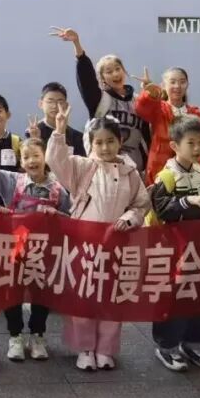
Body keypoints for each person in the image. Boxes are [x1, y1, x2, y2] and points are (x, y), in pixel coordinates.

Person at [46, 106, 150, 371]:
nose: (105, 147)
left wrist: (130, 218)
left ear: (120, 141)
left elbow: (141, 204)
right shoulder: (82, 167)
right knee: (84, 298)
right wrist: (59, 131)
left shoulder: (130, 172)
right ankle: (85, 349)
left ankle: (105, 349)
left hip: (117, 246)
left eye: (110, 141)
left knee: (111, 299)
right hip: (85, 246)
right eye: (99, 142)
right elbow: (56, 161)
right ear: (90, 144)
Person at [0, 132, 71, 361]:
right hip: (17, 241)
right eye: (26, 157)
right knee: (13, 290)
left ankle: (38, 335)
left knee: (42, 292)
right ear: (21, 161)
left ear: (45, 157)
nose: (31, 161)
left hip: (45, 246)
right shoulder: (13, 181)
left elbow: (70, 218)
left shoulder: (59, 188)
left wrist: (57, 214)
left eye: (36, 155)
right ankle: (15, 336)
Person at [148, 116, 200, 372]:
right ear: (174, 145)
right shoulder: (167, 176)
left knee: (197, 295)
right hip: (173, 249)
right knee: (173, 297)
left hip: (198, 247)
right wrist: (187, 201)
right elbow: (161, 209)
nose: (198, 148)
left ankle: (192, 343)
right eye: (191, 143)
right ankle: (166, 346)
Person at [50, 26, 150, 170]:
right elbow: (87, 80)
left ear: (124, 71)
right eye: (109, 71)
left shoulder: (139, 101)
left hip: (134, 169)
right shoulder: (100, 99)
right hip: (104, 168)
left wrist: (151, 94)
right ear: (102, 79)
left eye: (118, 69)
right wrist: (77, 46)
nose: (115, 74)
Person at [134, 66, 200, 185]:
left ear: (187, 85)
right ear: (163, 85)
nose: (177, 86)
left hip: (193, 174)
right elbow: (142, 109)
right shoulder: (159, 109)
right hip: (161, 171)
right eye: (172, 82)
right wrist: (151, 94)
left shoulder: (196, 114)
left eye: (182, 82)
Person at [30, 82, 86, 157]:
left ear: (66, 105)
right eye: (50, 101)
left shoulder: (77, 137)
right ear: (40, 104)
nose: (54, 106)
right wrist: (36, 140)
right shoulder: (34, 132)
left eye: (60, 102)